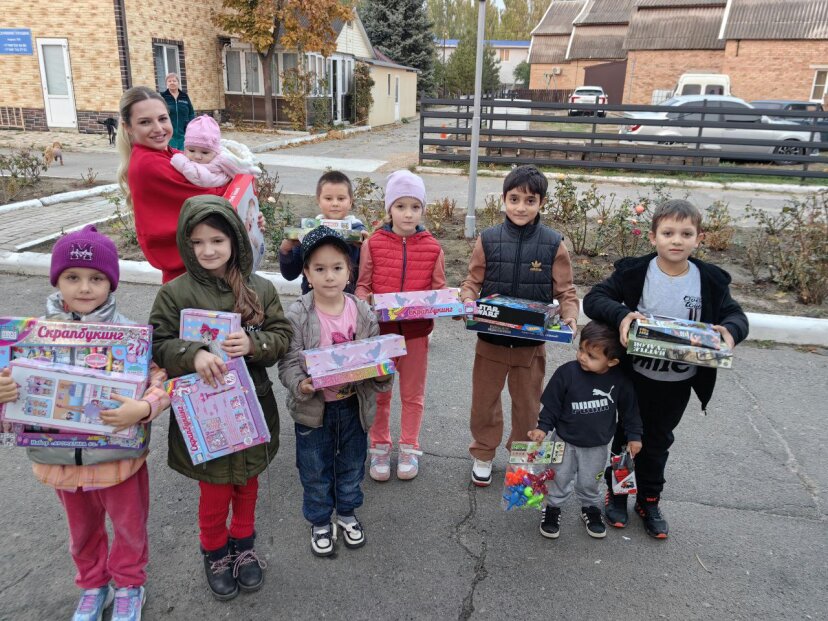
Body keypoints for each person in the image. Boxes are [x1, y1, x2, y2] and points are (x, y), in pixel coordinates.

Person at [0, 225, 169, 621]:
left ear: (111, 283)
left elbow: (159, 380)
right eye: (72, 277)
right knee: (82, 533)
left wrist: (143, 409)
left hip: (118, 461)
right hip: (60, 463)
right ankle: (94, 586)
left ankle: (129, 585)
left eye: (96, 278)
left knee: (129, 528)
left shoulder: (130, 336)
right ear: (57, 279)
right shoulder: (27, 337)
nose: (85, 287)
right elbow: (14, 399)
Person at [149, 196, 292, 599]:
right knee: (214, 491)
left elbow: (282, 336)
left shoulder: (259, 288)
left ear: (236, 240)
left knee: (247, 484)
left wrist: (253, 343)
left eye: (217, 240)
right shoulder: (175, 294)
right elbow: (157, 342)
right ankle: (214, 551)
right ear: (186, 244)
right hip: (203, 414)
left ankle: (243, 547)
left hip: (250, 408)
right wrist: (191, 354)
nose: (208, 250)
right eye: (197, 242)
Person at [583, 199, 749, 539]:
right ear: (653, 237)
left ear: (699, 239)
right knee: (626, 439)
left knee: (657, 442)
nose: (677, 240)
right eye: (668, 232)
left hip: (678, 382)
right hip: (633, 379)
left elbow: (736, 316)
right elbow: (595, 298)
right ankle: (618, 494)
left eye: (686, 234)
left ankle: (649, 500)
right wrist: (623, 315)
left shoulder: (710, 282)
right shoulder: (636, 273)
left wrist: (730, 332)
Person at [459, 165, 579, 487]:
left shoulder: (554, 243)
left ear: (541, 203)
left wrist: (570, 315)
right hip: (490, 343)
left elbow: (566, 291)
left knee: (528, 409)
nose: (521, 207)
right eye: (514, 199)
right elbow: (473, 280)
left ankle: (523, 461)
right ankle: (483, 453)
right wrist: (468, 300)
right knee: (483, 404)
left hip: (530, 348)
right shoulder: (489, 239)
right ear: (503, 199)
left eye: (530, 200)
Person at [278, 226, 393, 556]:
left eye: (337, 268)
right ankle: (319, 520)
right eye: (319, 269)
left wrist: (383, 374)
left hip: (353, 406)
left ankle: (346, 512)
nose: (329, 276)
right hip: (314, 410)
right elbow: (287, 361)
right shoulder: (298, 314)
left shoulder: (362, 310)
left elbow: (375, 355)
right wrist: (300, 383)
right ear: (306, 273)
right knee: (314, 468)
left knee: (353, 465)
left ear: (349, 271)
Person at [356, 170, 446, 481]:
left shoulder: (433, 247)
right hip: (381, 334)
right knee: (380, 392)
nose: (408, 214)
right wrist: (365, 303)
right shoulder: (375, 243)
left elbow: (439, 290)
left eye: (415, 207)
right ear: (389, 209)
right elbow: (363, 285)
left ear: (423, 209)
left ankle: (409, 446)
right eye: (400, 206)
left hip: (417, 335)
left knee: (413, 394)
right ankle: (379, 446)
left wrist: (450, 303)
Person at [527, 321, 642, 540]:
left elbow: (630, 412)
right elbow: (552, 405)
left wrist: (634, 436)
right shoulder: (567, 373)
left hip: (597, 445)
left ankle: (590, 507)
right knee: (557, 475)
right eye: (581, 349)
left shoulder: (620, 381)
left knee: (590, 480)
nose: (582, 356)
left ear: (612, 361)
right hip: (562, 441)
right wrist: (542, 429)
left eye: (591, 355)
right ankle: (552, 508)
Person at [117, 86, 227, 283]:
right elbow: (212, 198)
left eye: (162, 119)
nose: (158, 129)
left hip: (199, 266)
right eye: (145, 122)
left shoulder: (168, 153)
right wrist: (240, 186)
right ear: (128, 127)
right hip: (190, 275)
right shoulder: (148, 163)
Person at [279, 170, 366, 294]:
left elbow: (367, 275)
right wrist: (285, 250)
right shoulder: (306, 231)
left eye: (341, 198)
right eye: (328, 198)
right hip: (312, 301)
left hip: (347, 301)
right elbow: (290, 274)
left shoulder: (358, 231)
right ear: (318, 200)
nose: (335, 203)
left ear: (350, 201)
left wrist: (366, 247)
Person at [170, 114, 262, 188]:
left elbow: (202, 179)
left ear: (216, 151)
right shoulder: (189, 158)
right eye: (191, 150)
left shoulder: (222, 162)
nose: (197, 156)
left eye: (205, 152)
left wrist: (181, 162)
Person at [161, 73, 195, 150]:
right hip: (168, 130)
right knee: (169, 152)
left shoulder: (184, 96)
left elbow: (191, 113)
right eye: (169, 81)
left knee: (183, 152)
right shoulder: (163, 97)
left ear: (178, 83)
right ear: (166, 83)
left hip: (184, 130)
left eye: (174, 81)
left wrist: (191, 125)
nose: (172, 82)